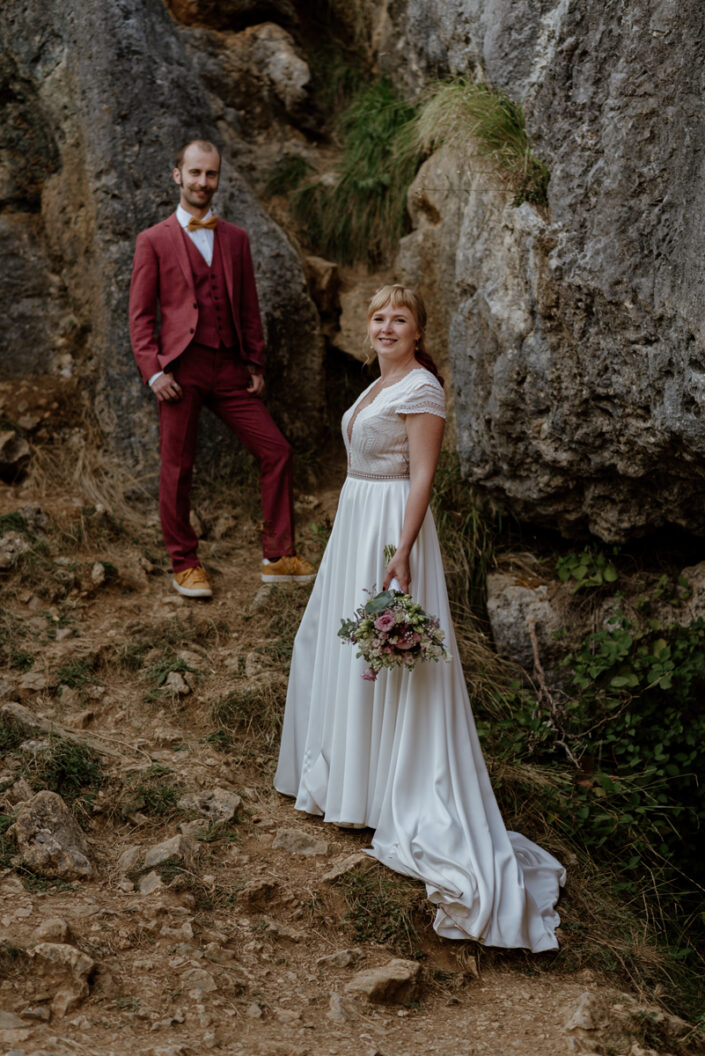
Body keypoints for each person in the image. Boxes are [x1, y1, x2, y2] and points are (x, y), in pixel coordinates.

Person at [275, 284, 565, 952]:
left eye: (397, 318)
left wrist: (400, 553)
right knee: (329, 645)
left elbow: (424, 477)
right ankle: (344, 787)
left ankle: (388, 798)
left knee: (388, 661)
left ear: (416, 329)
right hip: (356, 522)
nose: (385, 326)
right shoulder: (375, 387)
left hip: (391, 530)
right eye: (376, 317)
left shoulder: (422, 390)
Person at [129, 138, 315, 597]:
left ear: (218, 178)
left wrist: (255, 360)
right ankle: (184, 562)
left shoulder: (236, 238)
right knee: (177, 467)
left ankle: (277, 554)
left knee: (277, 450)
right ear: (178, 175)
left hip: (230, 368)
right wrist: (154, 371)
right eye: (194, 173)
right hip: (181, 371)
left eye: (210, 174)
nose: (202, 182)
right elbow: (139, 316)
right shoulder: (153, 240)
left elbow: (249, 305)